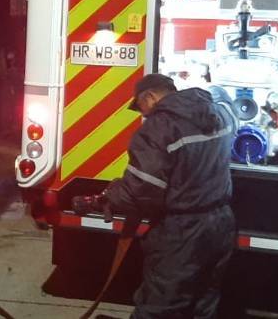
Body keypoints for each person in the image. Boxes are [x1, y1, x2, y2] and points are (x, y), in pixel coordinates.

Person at [72, 73, 238, 319]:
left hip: (183, 233)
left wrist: (107, 198)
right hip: (221, 225)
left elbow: (141, 190)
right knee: (203, 302)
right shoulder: (219, 114)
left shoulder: (160, 127)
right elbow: (227, 102)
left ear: (149, 97)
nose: (144, 115)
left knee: (160, 305)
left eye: (141, 108)